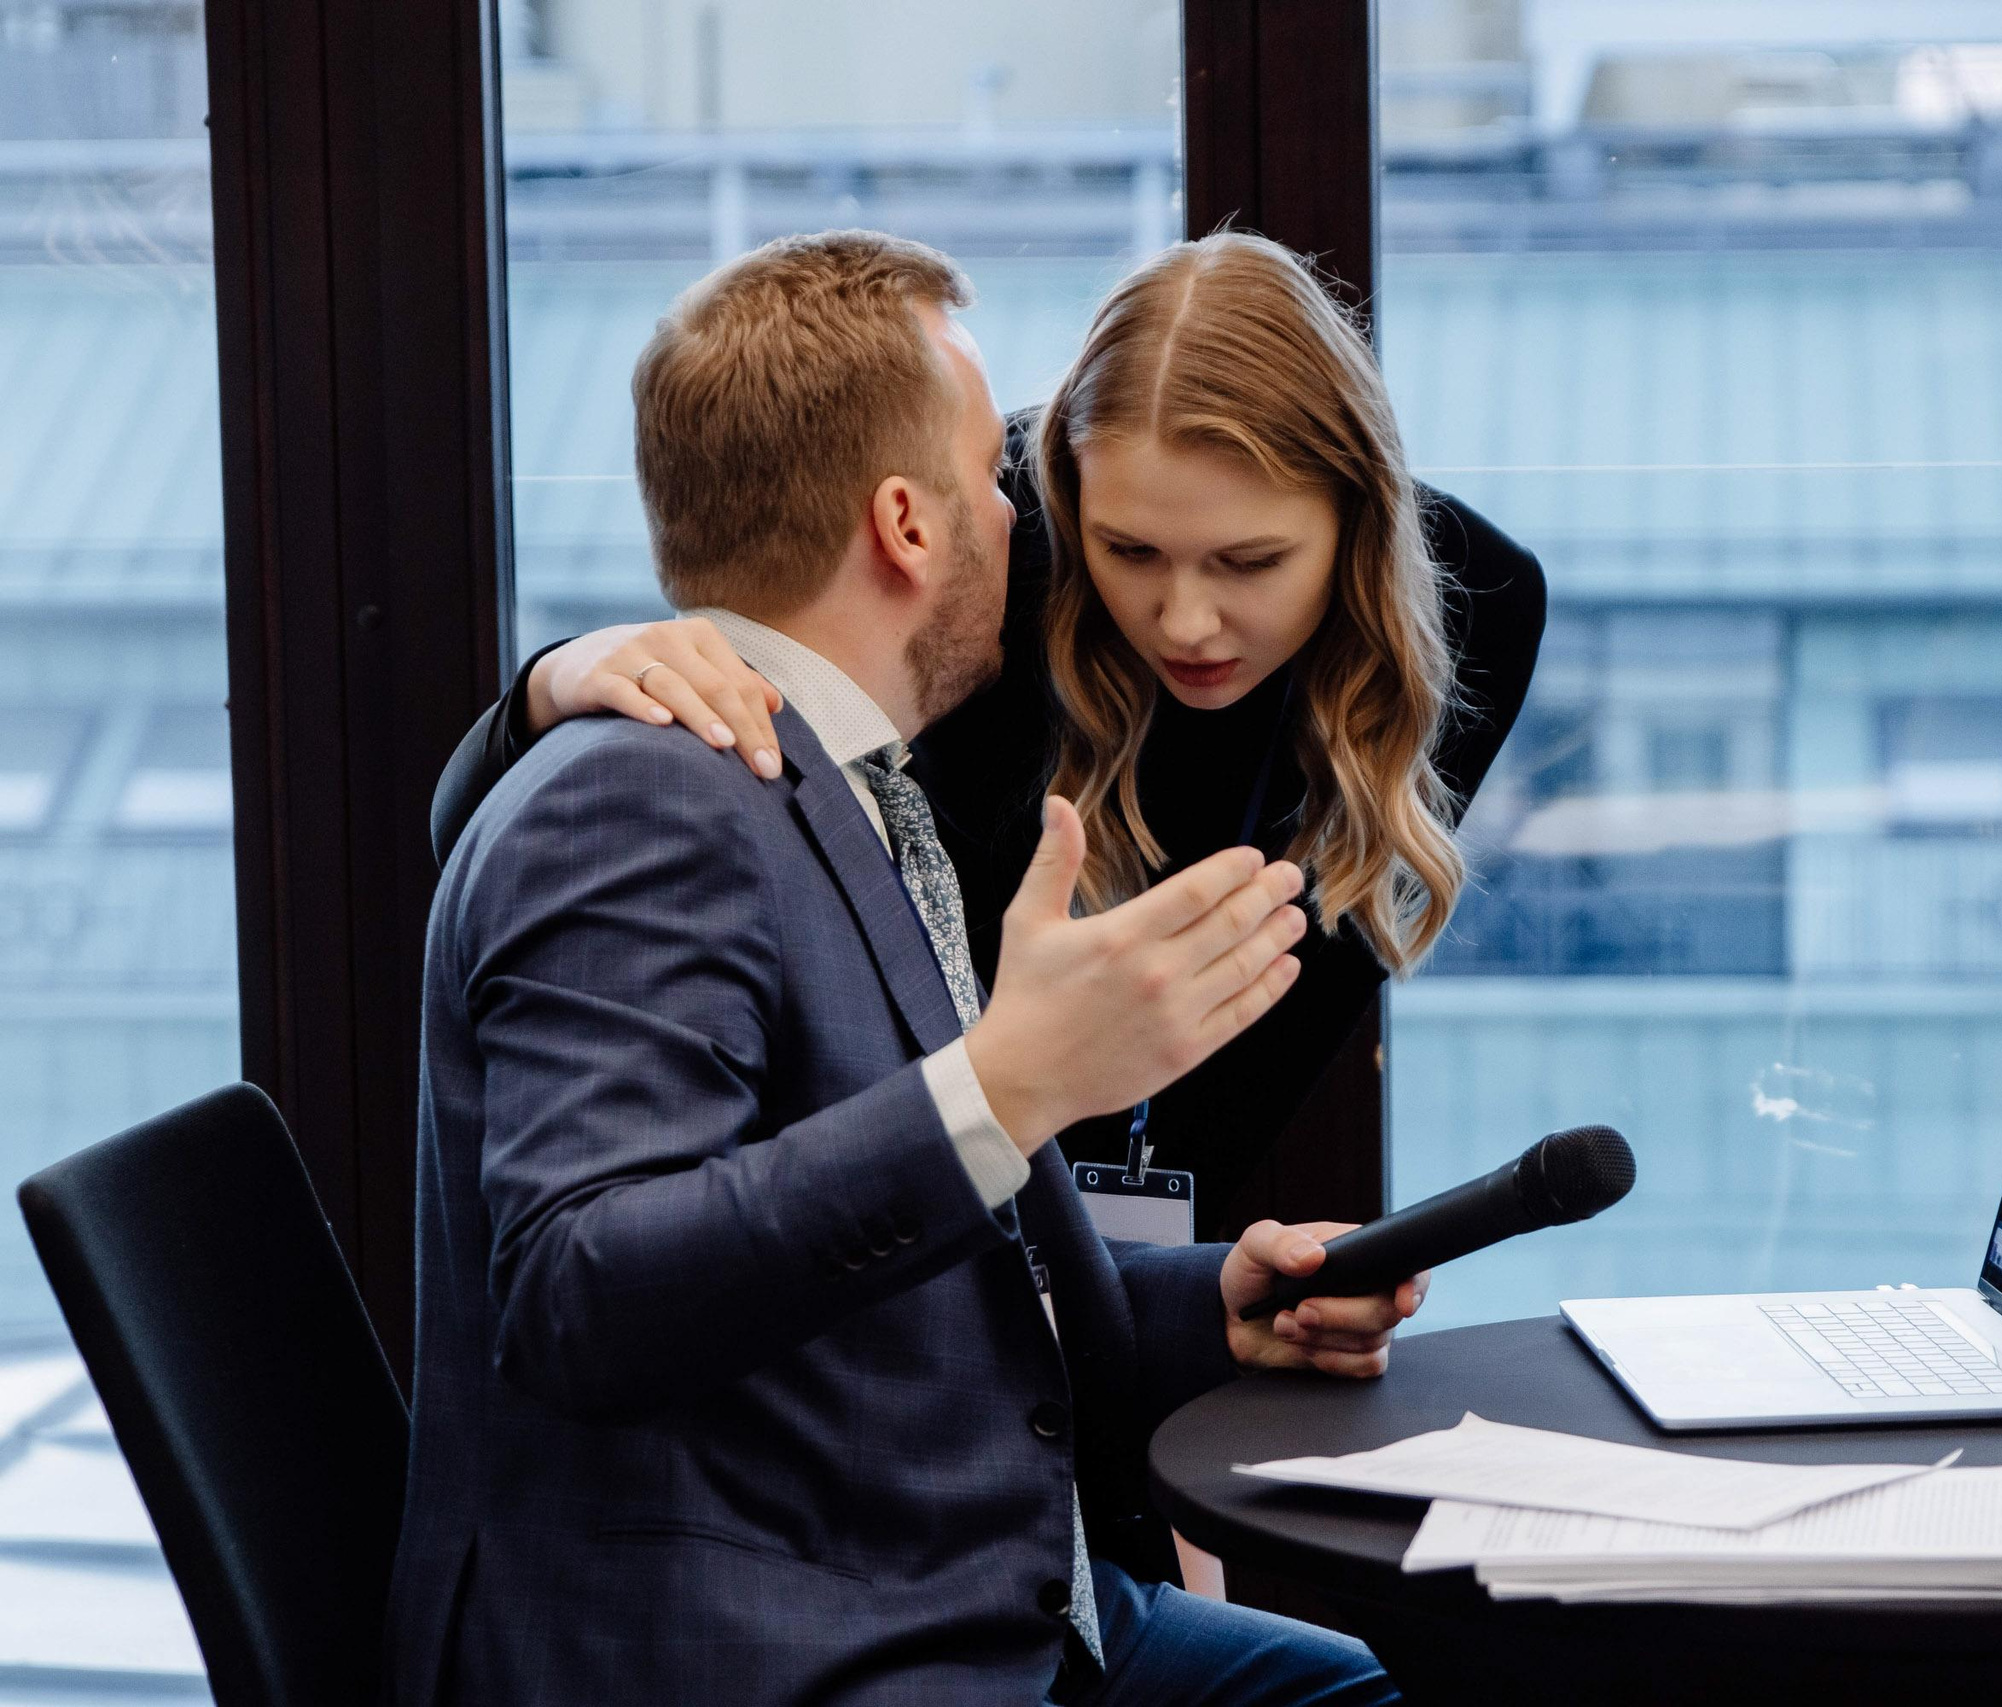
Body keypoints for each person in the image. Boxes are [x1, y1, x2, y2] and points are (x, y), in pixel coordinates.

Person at [388, 229, 1422, 1706]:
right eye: (992, 485)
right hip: (758, 1647)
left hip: (913, 1575)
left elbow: (947, 1269)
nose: (1019, 518)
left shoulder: (846, 787)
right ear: (907, 523)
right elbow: (577, 1293)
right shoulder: (648, 798)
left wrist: (1214, 1303)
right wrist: (1003, 1087)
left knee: (1344, 1684)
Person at [432, 232, 1546, 1230]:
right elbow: (609, 835)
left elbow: (1269, 1055)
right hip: (894, 1220)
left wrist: (1175, 1310)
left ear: (1359, 522)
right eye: (1131, 553)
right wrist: (553, 685)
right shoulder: (983, 554)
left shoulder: (1475, 603)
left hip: (1118, 1273)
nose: (1187, 621)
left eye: (1250, 564)